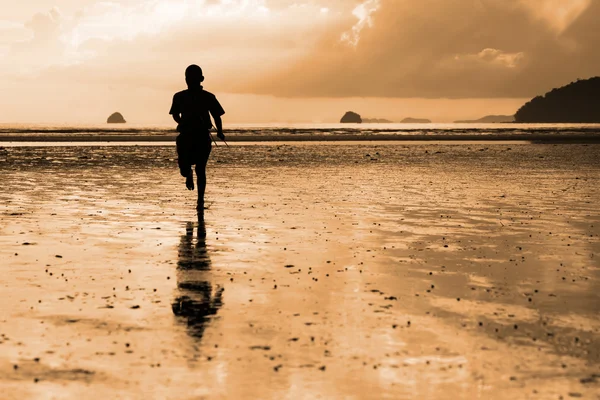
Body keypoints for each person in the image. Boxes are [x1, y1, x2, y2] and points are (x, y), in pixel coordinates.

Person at [169, 64, 225, 218]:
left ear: (201, 79)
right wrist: (181, 122)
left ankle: (200, 201)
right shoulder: (179, 96)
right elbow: (174, 114)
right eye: (189, 78)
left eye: (194, 78)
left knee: (201, 169)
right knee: (184, 169)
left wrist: (219, 131)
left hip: (202, 137)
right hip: (185, 136)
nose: (191, 81)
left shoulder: (208, 97)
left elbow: (217, 116)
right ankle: (188, 174)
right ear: (186, 80)